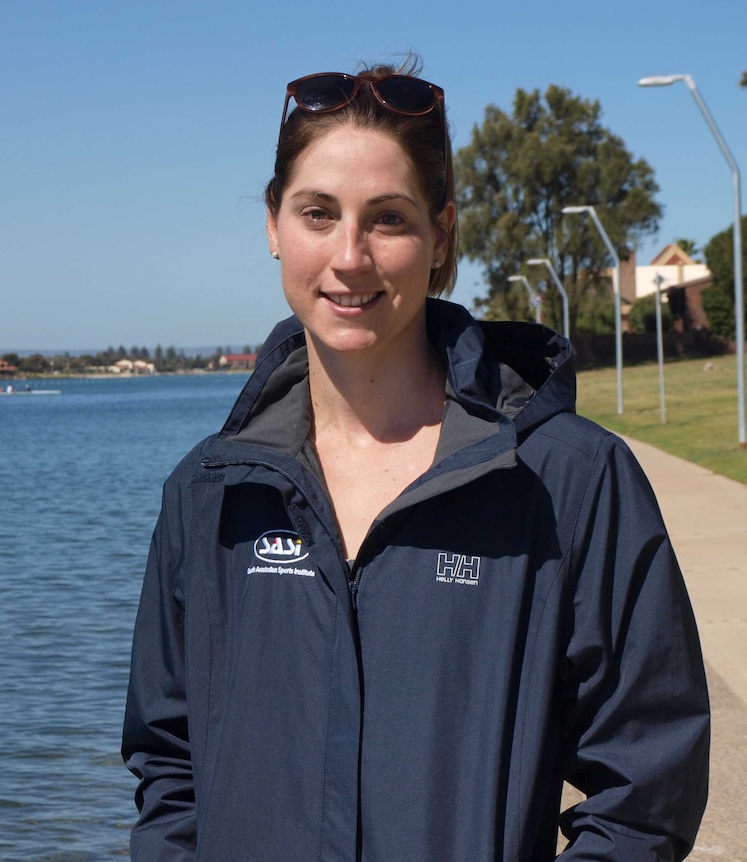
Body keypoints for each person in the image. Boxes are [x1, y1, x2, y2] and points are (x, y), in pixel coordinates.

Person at [122, 58, 709, 861]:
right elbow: (169, 767)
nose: (349, 255)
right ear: (273, 225)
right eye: (318, 213)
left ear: (441, 235)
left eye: (388, 219)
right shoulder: (211, 493)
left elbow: (647, 785)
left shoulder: (567, 481)